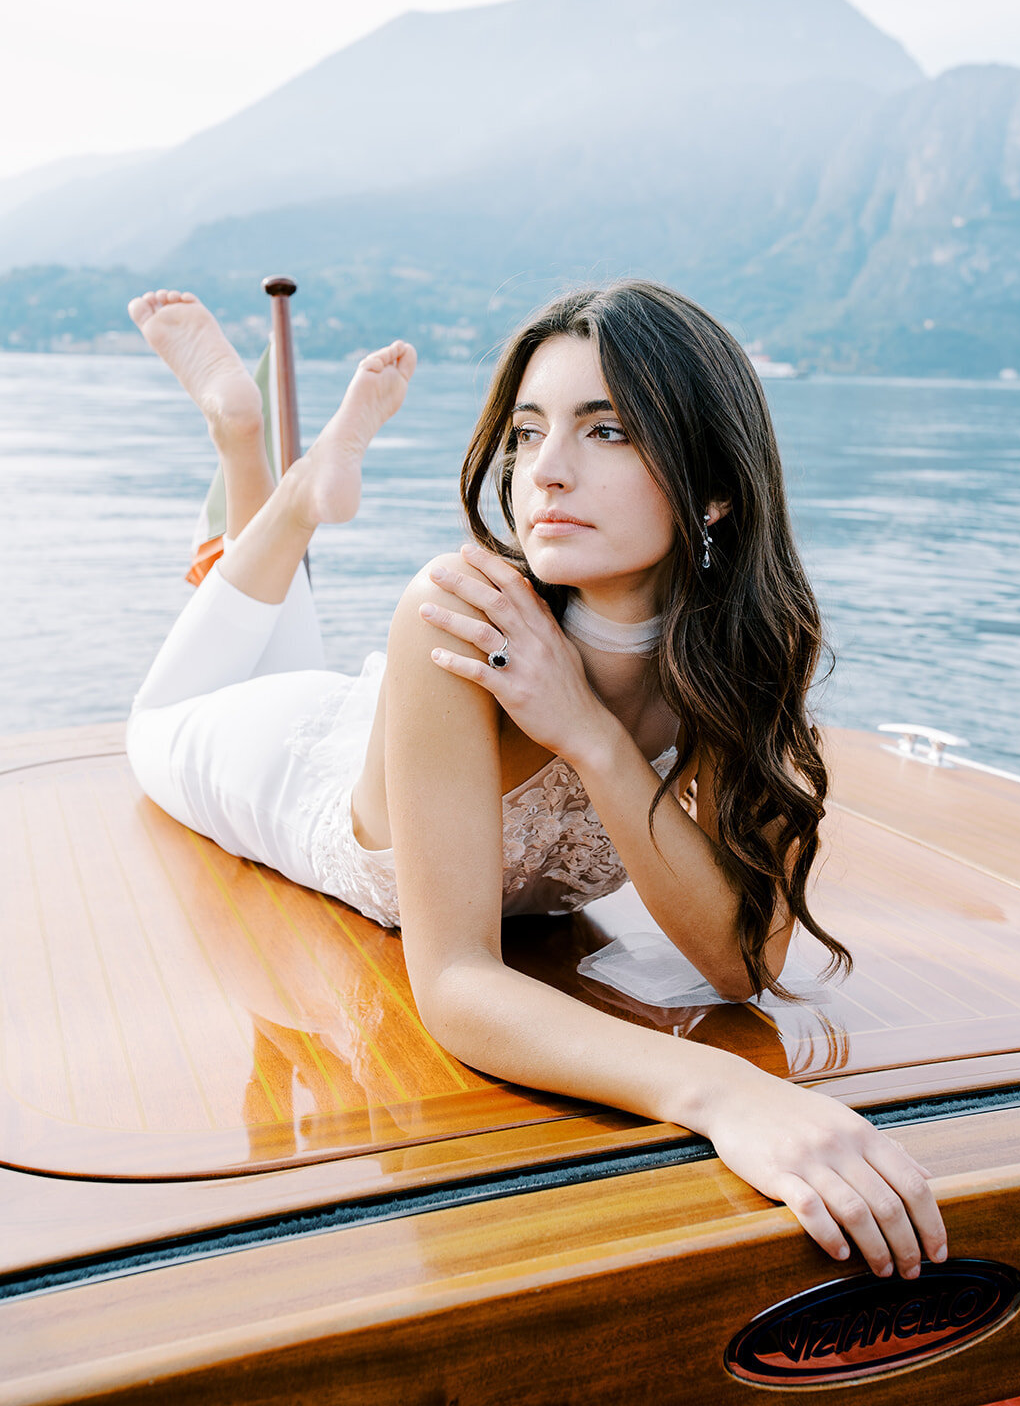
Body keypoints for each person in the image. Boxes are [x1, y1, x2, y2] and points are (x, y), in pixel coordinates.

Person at [125, 281, 947, 1281]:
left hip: (370, 719)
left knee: (290, 650)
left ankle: (283, 476)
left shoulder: (735, 647)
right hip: (257, 753)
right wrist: (724, 1092)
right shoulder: (456, 612)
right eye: (526, 431)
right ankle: (255, 451)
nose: (545, 471)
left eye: (604, 431)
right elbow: (457, 985)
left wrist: (588, 737)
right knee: (160, 715)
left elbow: (741, 962)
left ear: (714, 484)